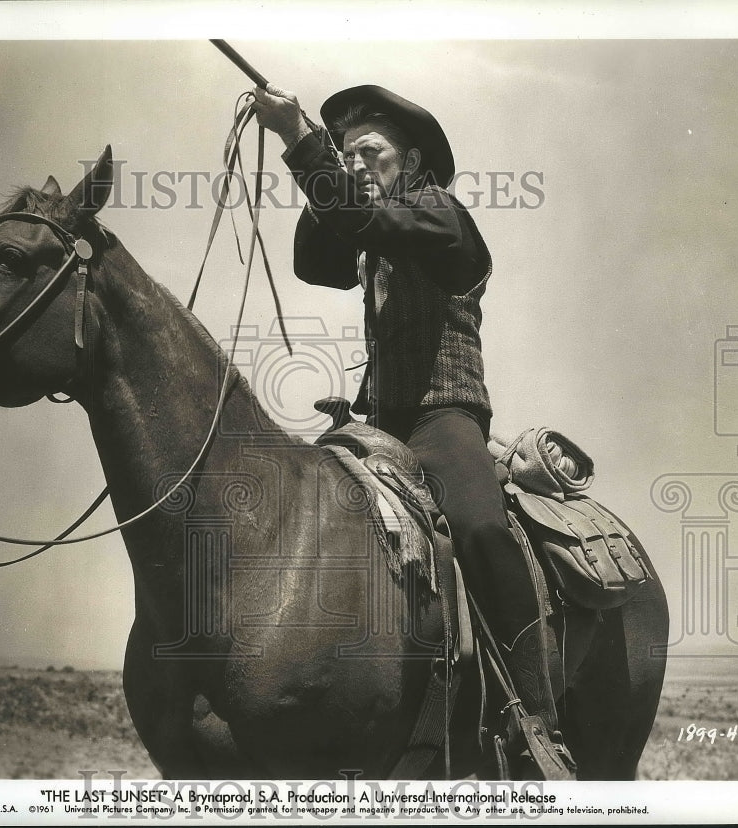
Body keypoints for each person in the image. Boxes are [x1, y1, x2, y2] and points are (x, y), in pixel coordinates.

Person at [251, 83, 572, 772]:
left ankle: (535, 718)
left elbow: (364, 221)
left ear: (415, 160)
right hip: (379, 424)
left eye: (372, 150)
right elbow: (318, 255)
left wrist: (301, 143)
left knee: (482, 528)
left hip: (444, 416)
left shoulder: (439, 215)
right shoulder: (370, 223)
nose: (357, 161)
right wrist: (323, 162)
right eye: (349, 153)